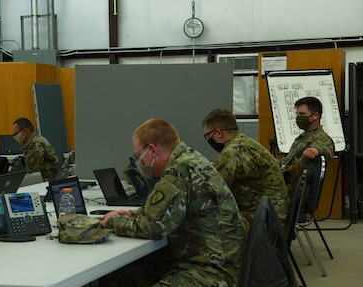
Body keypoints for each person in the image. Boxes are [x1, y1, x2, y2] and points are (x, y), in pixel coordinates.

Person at [100, 118, 245, 287]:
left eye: (138, 156)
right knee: (128, 275)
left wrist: (112, 222)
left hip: (211, 273)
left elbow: (154, 227)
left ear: (152, 150)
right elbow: (165, 210)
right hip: (222, 264)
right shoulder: (190, 159)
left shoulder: (177, 172)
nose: (140, 163)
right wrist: (132, 214)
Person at [202, 108, 289, 231]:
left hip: (262, 221)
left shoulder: (231, 153)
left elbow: (211, 190)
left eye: (208, 136)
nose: (209, 141)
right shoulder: (247, 143)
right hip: (273, 215)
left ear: (219, 132)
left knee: (199, 226)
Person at [279, 96, 335, 168]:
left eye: (302, 114)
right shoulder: (304, 136)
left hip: (293, 177)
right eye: (297, 114)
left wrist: (316, 150)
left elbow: (325, 148)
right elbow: (287, 161)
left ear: (315, 115)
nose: (298, 117)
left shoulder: (320, 137)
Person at [12, 117, 59, 181]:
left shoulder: (35, 146)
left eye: (15, 134)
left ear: (25, 131)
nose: (14, 137)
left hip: (45, 182)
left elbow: (32, 175)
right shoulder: (37, 140)